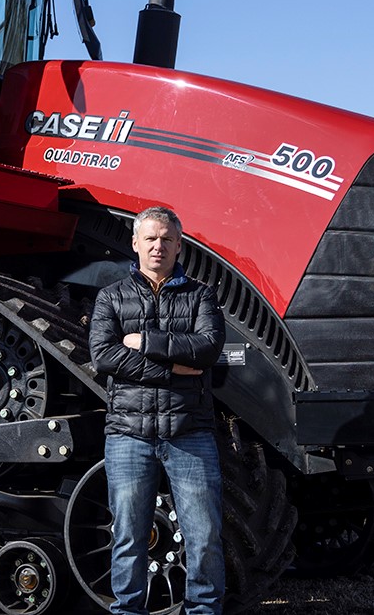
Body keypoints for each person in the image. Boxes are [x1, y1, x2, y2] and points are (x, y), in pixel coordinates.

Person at [89, 206, 227, 615]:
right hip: (128, 434)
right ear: (135, 243)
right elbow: (103, 355)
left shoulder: (200, 295)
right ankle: (128, 611)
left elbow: (208, 350)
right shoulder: (111, 297)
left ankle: (203, 611)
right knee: (129, 535)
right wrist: (176, 368)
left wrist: (145, 342)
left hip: (190, 433)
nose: (158, 246)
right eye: (150, 238)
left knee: (204, 536)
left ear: (179, 245)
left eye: (167, 239)